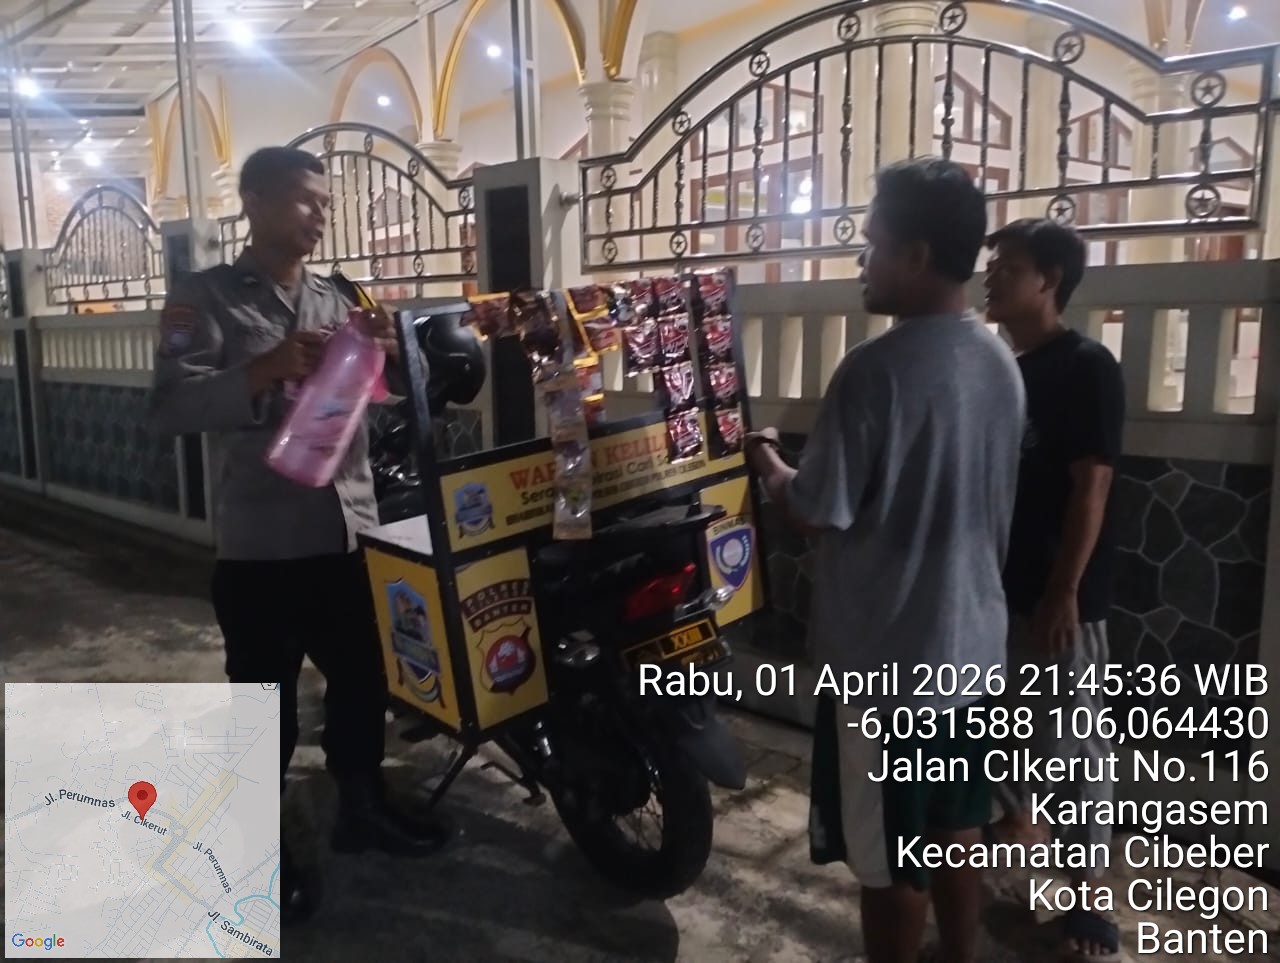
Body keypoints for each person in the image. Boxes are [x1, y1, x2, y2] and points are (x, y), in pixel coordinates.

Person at [150, 146, 447, 927]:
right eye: (304, 199)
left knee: (362, 682)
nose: (320, 214)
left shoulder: (340, 297)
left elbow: (379, 402)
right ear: (253, 200)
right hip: (263, 547)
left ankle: (362, 808)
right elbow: (170, 407)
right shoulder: (205, 298)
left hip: (347, 534)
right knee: (264, 705)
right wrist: (263, 370)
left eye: (325, 202)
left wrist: (391, 359)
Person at [746, 157, 1025, 963]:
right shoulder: (999, 361)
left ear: (917, 255)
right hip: (971, 653)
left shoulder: (875, 371)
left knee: (892, 862)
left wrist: (767, 458)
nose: (862, 261)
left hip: (887, 668)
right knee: (955, 826)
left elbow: (813, 509)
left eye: (872, 244)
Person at [983, 218, 1125, 963]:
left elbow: (1091, 485)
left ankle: (1089, 899)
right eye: (992, 263)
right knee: (1014, 738)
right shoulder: (1006, 369)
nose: (992, 275)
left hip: (1061, 596)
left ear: (1051, 280)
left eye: (1009, 265)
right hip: (1002, 591)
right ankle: (1012, 863)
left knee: (1076, 747)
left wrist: (1065, 589)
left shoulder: (1085, 366)